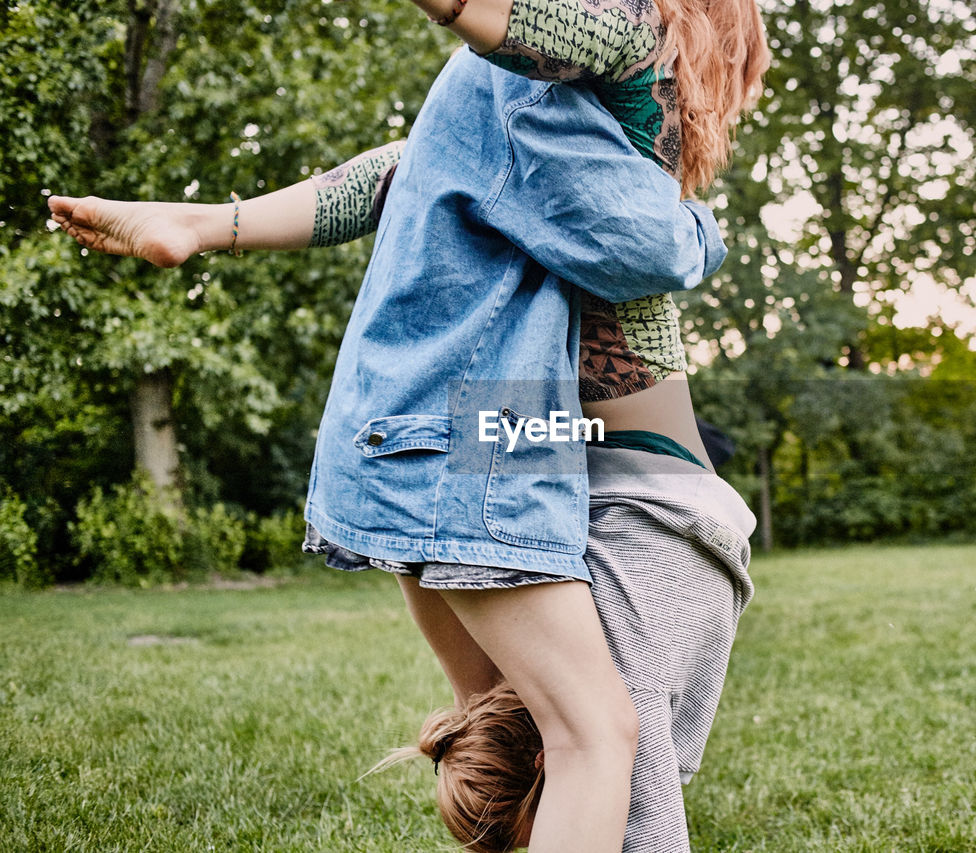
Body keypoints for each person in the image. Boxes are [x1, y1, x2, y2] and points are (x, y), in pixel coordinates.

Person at [51, 1, 770, 849]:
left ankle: (525, 805)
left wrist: (209, 224)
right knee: (603, 747)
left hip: (515, 446)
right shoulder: (622, 39)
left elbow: (395, 170)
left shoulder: (520, 109)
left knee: (561, 744)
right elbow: (499, 29)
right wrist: (697, 232)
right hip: (620, 486)